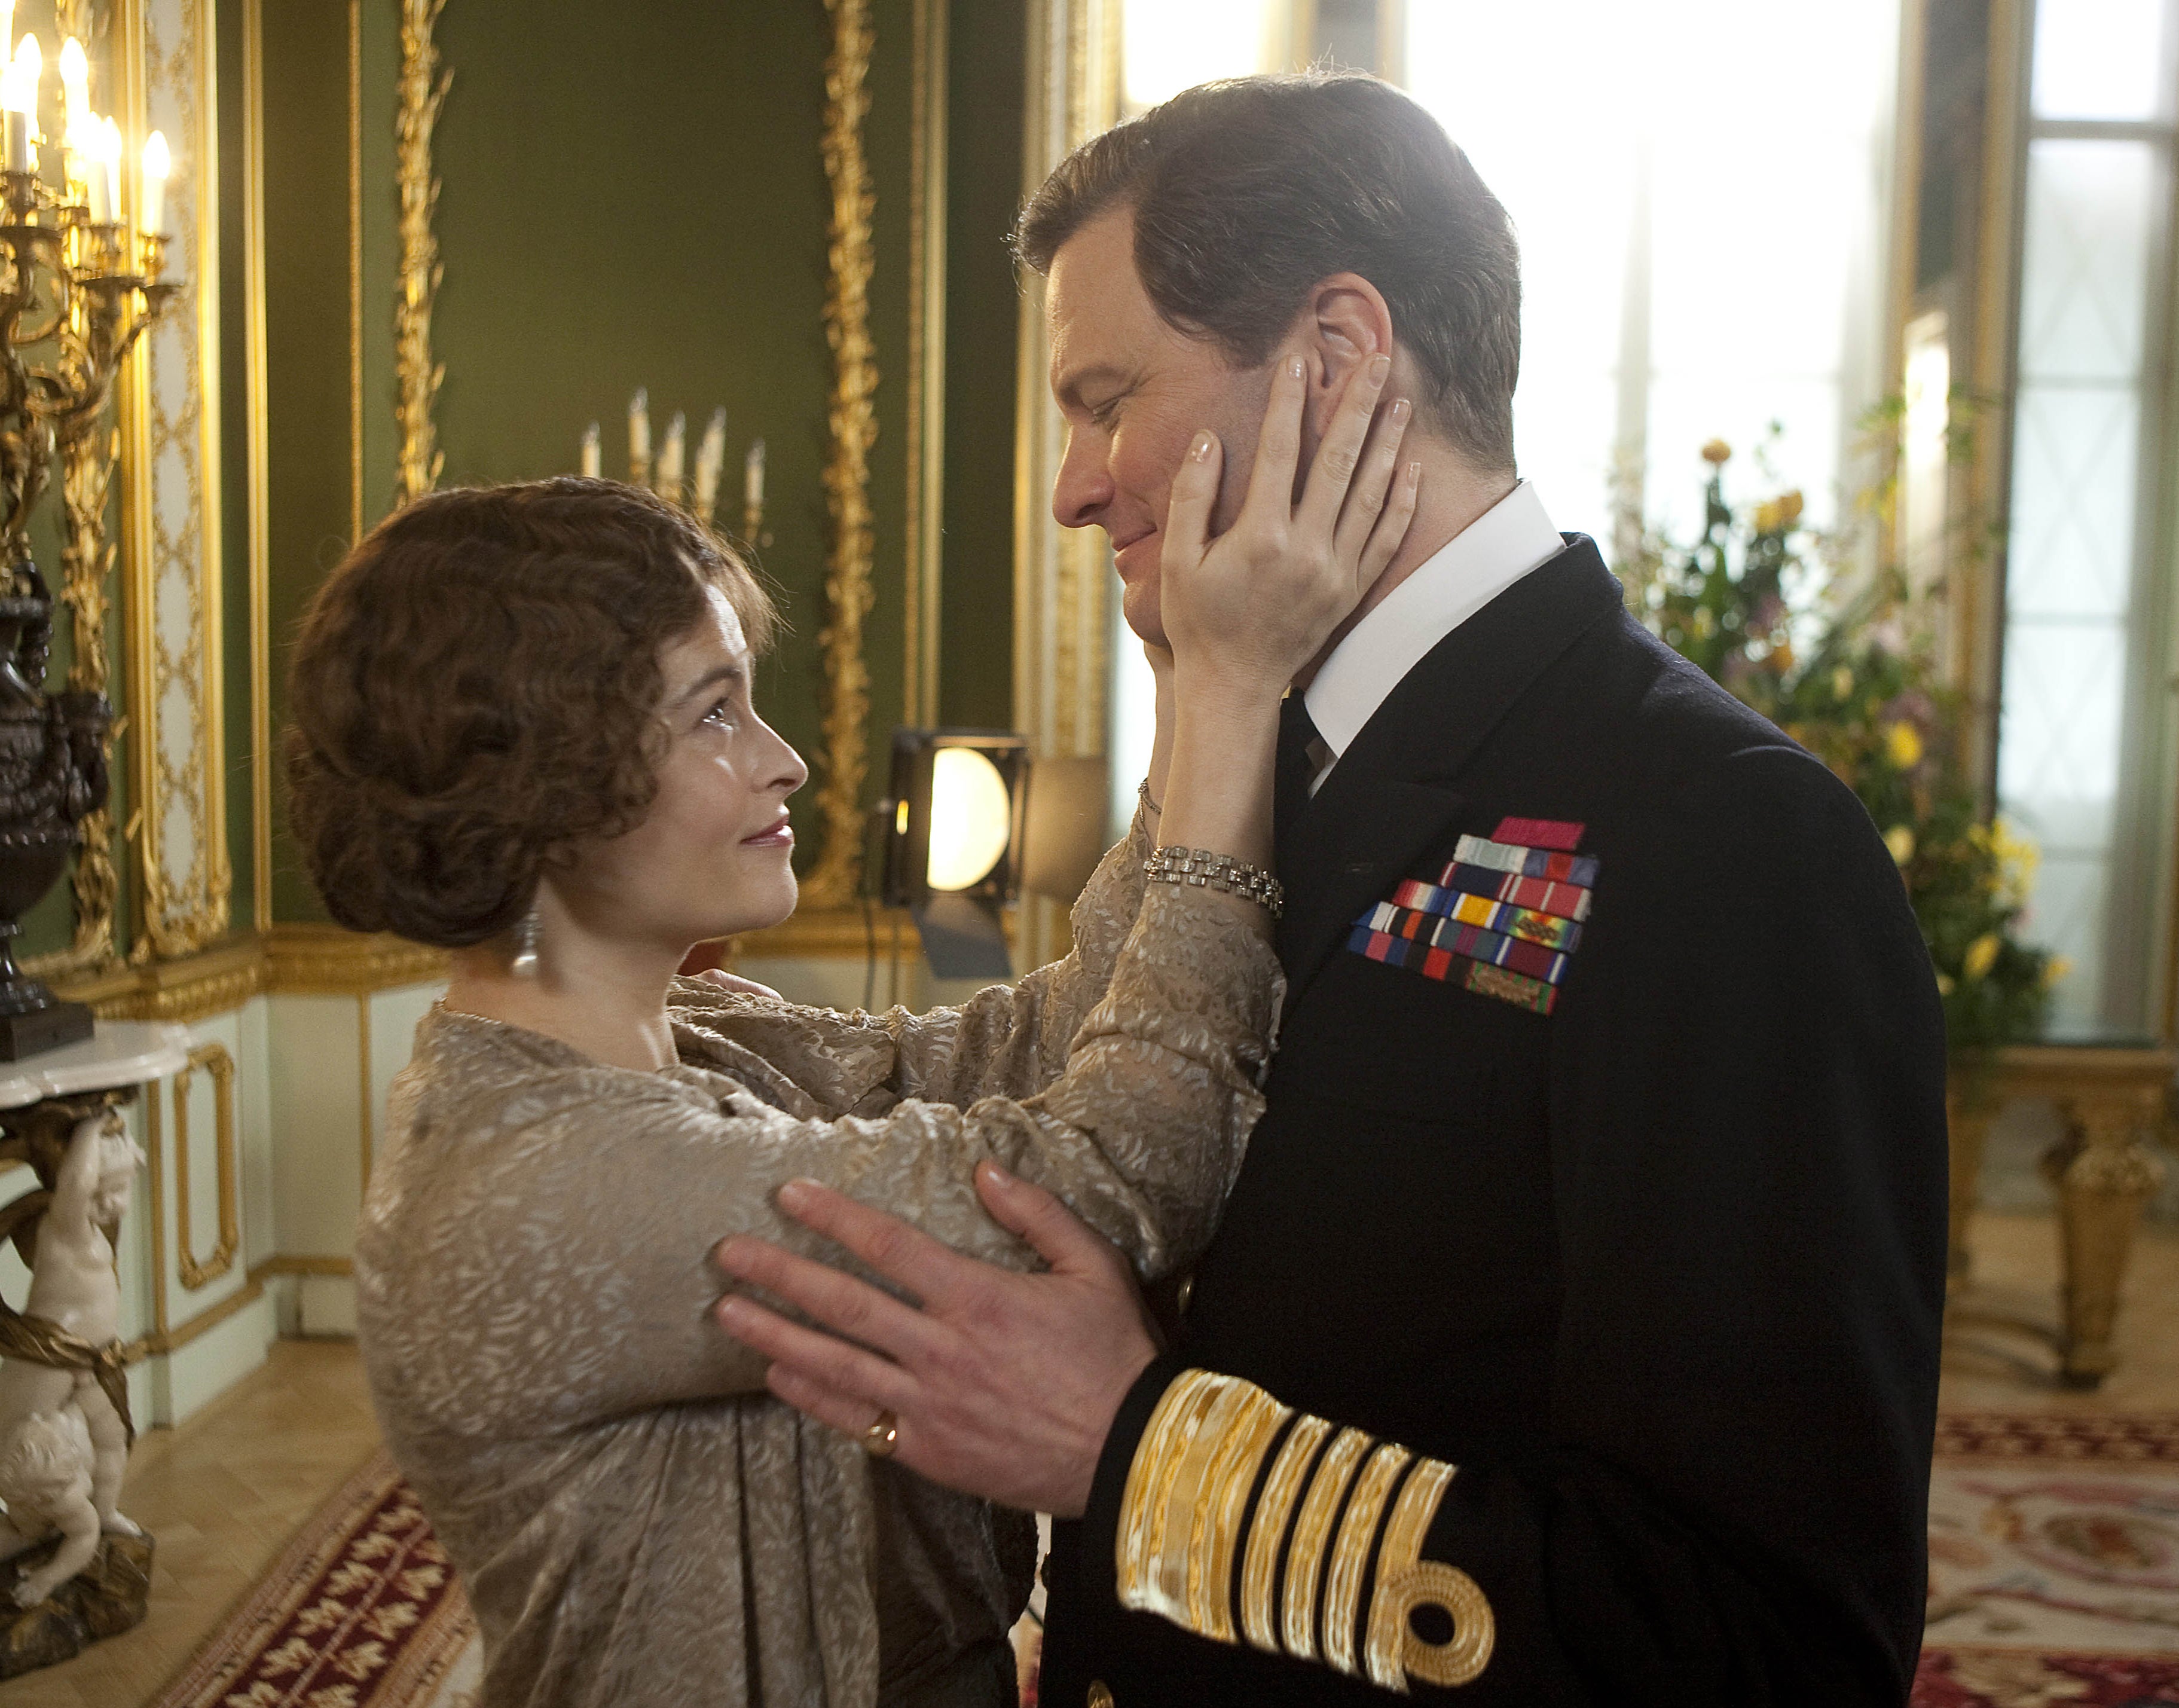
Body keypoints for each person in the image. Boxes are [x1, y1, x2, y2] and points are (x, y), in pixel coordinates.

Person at [712, 72, 1949, 1707]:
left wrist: (1138, 1450)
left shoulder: (1720, 837)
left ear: (1339, 358)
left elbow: (1766, 1641)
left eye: (1103, 398)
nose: (1071, 486)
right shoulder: (1249, 760)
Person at [287, 438, 1415, 1708]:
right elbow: (1105, 1170)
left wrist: (1175, 683)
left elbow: (1027, 1048)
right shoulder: (547, 1184)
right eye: (713, 710)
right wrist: (1229, 696)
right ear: (547, 785)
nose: (785, 759)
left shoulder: (697, 1031)